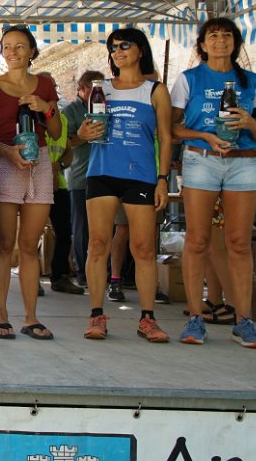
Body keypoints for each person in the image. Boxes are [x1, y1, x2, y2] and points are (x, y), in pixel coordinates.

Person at [172, 17, 256, 348]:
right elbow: (171, 128)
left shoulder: (253, 82)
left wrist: (250, 123)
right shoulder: (189, 79)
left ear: (236, 43)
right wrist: (204, 136)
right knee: (197, 240)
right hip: (201, 160)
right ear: (202, 44)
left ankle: (244, 321)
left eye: (227, 35)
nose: (220, 41)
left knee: (239, 243)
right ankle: (195, 318)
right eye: (213, 36)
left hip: (244, 163)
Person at [76, 28, 171, 343]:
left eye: (124, 45)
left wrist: (163, 179)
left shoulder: (155, 90)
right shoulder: (101, 89)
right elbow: (83, 133)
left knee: (143, 248)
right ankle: (96, 315)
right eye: (113, 47)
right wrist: (82, 134)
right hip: (102, 172)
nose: (117, 51)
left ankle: (147, 319)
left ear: (140, 49)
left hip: (140, 176)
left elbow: (166, 137)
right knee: (97, 244)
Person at [0, 24, 61, 340]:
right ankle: (1, 316)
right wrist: (6, 152)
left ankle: (31, 318)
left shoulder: (45, 86)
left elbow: (56, 133)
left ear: (32, 51)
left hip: (39, 163)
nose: (12, 52)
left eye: (20, 46)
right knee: (3, 243)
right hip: (6, 162)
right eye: (7, 46)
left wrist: (46, 109)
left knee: (29, 245)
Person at [37, 71, 83, 295]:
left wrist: (59, 166)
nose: (52, 91)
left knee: (64, 232)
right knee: (31, 234)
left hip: (59, 185)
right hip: (35, 184)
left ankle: (60, 276)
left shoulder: (62, 119)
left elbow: (68, 152)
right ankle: (31, 279)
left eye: (53, 87)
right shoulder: (29, 118)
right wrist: (48, 169)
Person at [62, 71, 104, 287]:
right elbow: (66, 141)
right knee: (81, 228)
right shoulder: (70, 111)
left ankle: (102, 272)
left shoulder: (104, 107)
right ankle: (82, 272)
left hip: (104, 175)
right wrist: (83, 136)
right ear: (85, 88)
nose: (101, 93)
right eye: (97, 89)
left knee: (103, 228)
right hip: (80, 176)